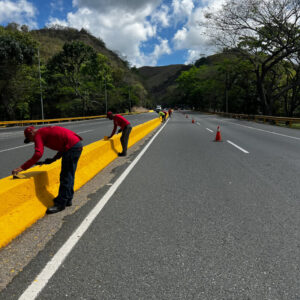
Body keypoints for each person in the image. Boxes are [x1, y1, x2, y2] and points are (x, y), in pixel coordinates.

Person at [12, 126, 83, 214]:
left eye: (30, 139)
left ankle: (61, 204)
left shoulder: (38, 135)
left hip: (72, 147)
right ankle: (67, 199)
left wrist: (22, 168)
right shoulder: (44, 131)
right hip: (75, 145)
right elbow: (63, 146)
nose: (32, 141)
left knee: (65, 176)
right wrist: (53, 159)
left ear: (31, 133)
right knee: (69, 174)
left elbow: (38, 154)